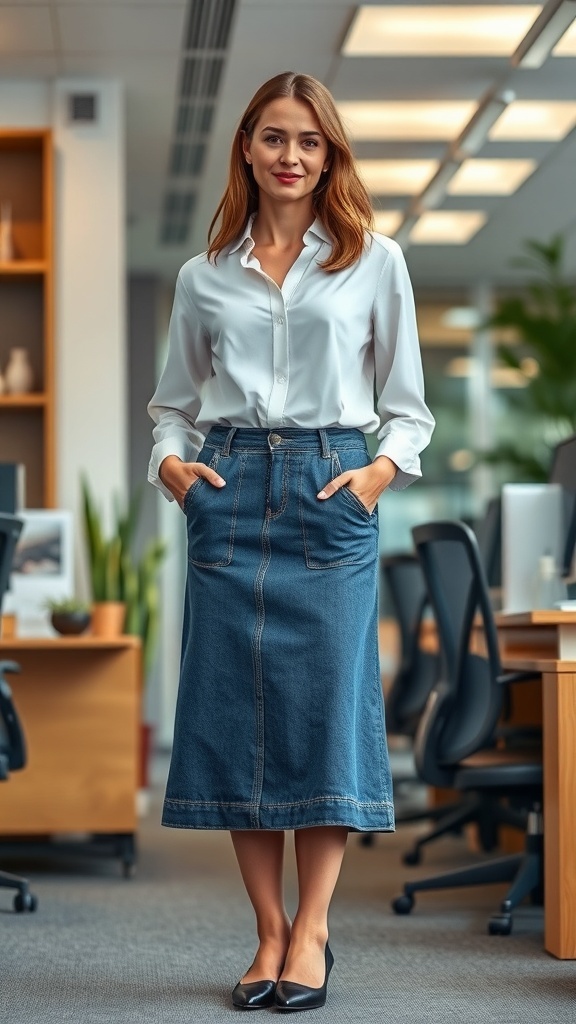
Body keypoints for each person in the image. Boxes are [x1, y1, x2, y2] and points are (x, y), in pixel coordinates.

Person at [147, 71, 435, 1012]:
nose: (291, 156)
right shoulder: (204, 275)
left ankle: (313, 931)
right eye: (275, 137)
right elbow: (171, 406)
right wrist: (171, 466)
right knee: (237, 712)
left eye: (310, 142)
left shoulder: (372, 260)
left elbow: (408, 409)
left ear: (330, 154)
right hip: (230, 495)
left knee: (321, 714)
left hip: (330, 490)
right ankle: (266, 933)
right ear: (246, 146)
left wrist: (378, 475)